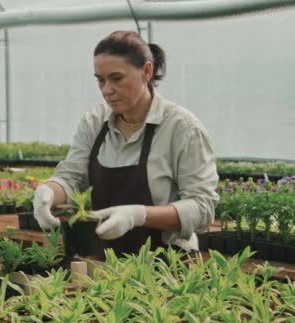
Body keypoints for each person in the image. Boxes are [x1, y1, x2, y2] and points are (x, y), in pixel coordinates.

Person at [33, 31, 219, 260]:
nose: (106, 90)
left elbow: (202, 207)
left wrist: (138, 215)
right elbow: (72, 178)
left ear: (147, 72)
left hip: (168, 266)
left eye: (116, 78)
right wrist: (48, 192)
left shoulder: (182, 129)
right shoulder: (94, 122)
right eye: (100, 80)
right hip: (105, 261)